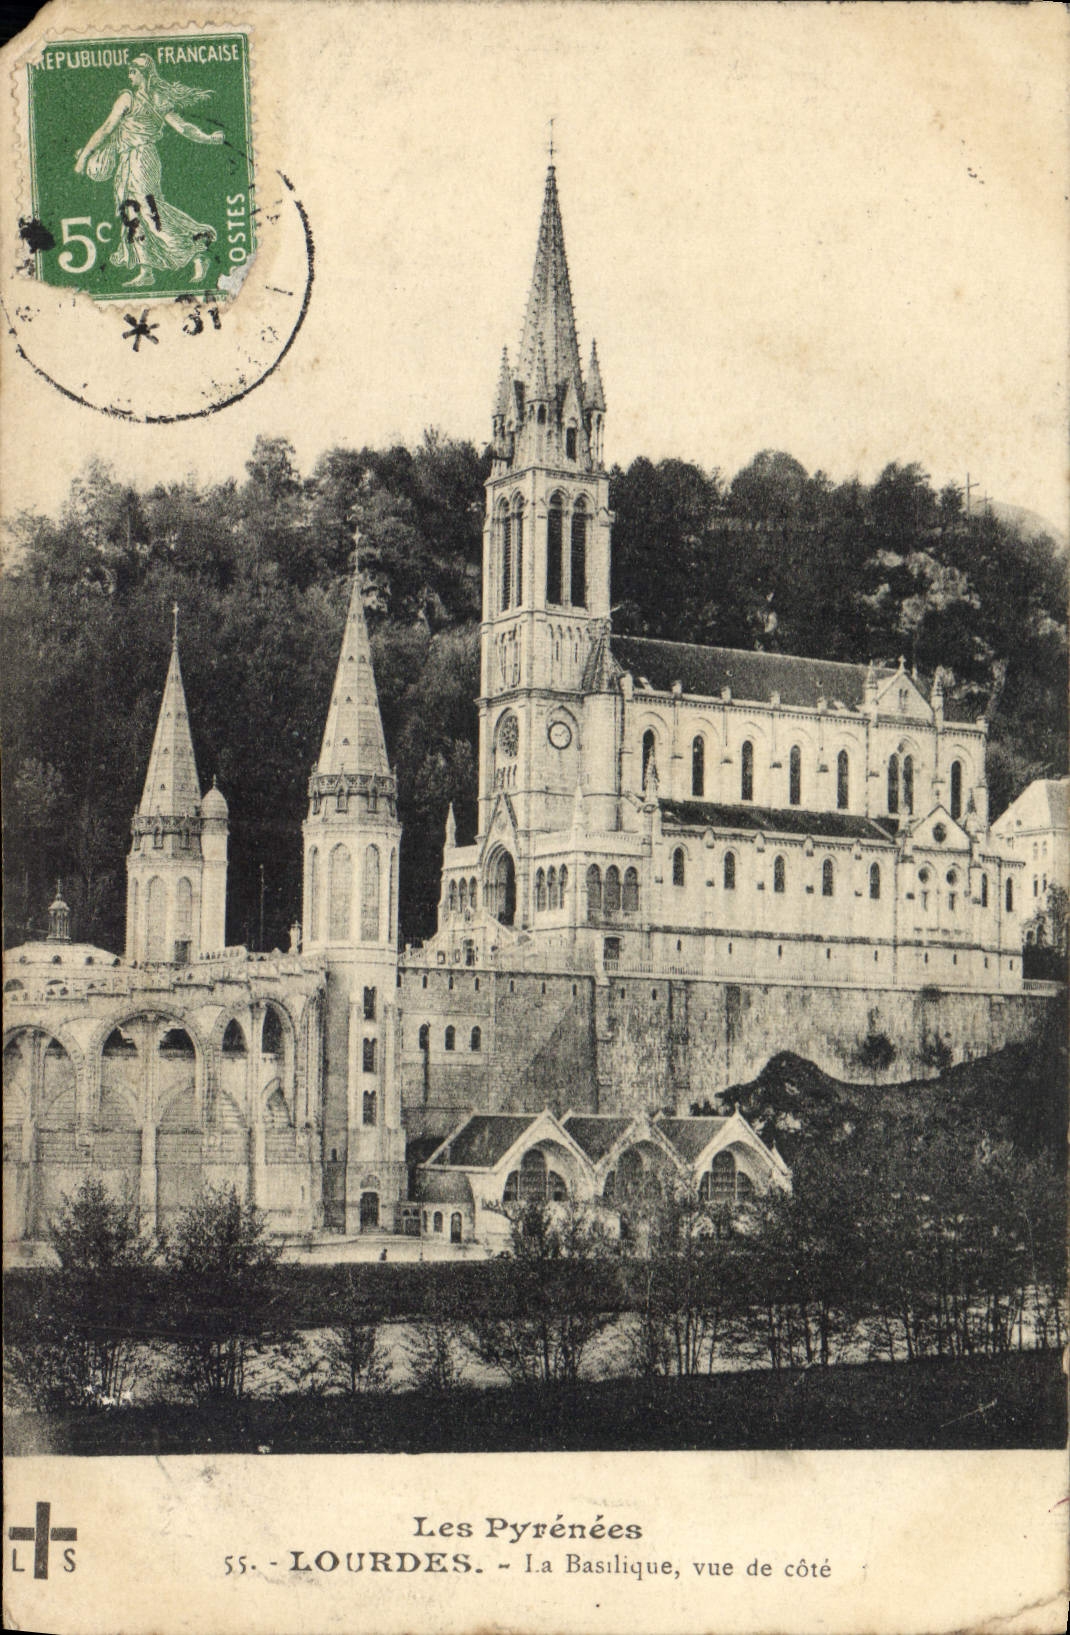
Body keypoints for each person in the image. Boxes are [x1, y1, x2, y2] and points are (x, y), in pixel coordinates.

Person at [74, 55, 224, 287]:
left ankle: (196, 250)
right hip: (127, 160)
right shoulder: (144, 97)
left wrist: (84, 157)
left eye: (132, 71)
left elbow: (106, 129)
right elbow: (109, 131)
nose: (129, 75)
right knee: (131, 214)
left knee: (149, 210)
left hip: (142, 159)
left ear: (143, 73)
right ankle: (146, 271)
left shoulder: (137, 98)